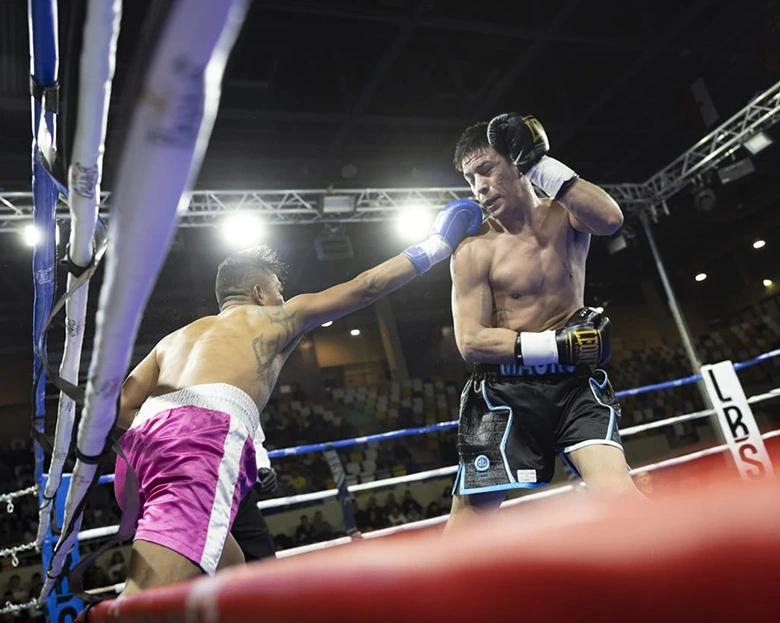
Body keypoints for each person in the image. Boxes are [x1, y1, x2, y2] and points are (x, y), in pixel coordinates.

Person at [113, 198, 483, 595]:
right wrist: (438, 245)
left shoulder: (175, 339)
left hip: (135, 456)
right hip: (196, 445)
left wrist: (171, 430)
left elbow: (121, 408)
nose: (282, 296)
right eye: (278, 289)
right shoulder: (277, 316)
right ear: (258, 292)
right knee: (140, 608)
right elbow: (366, 287)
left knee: (240, 584)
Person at [446, 113, 643, 531]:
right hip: (502, 391)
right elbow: (471, 341)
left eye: (486, 169)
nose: (478, 187)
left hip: (575, 385)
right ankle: (430, 598)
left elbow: (611, 219)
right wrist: (556, 345)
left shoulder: (565, 217)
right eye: (469, 178)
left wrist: (539, 163)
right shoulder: (474, 250)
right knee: (469, 521)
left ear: (516, 163)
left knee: (619, 495)